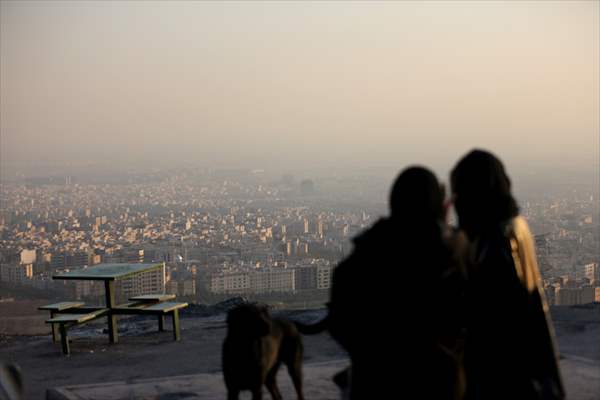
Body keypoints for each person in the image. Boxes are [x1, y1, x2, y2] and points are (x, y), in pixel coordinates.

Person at [328, 166, 467, 400]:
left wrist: (371, 353)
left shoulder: (363, 258)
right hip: (439, 382)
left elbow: (340, 322)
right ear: (442, 208)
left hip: (374, 383)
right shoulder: (452, 257)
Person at [450, 149, 564, 400]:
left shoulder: (494, 240)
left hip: (502, 374)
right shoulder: (515, 225)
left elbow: (490, 317)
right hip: (528, 364)